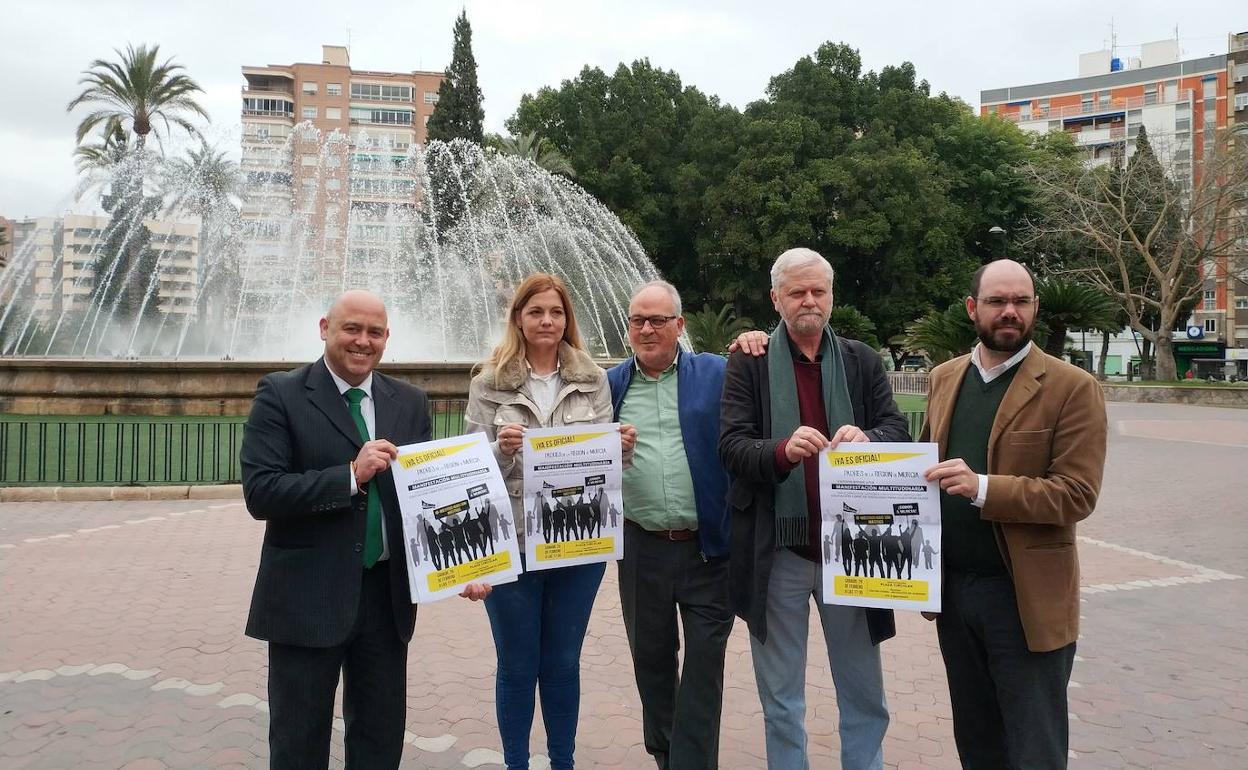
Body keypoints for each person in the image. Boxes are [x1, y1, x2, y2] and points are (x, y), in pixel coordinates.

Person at [719, 248, 910, 770]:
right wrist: (781, 450)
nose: (809, 301)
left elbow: (898, 430)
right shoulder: (749, 362)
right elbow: (731, 447)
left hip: (852, 549)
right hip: (780, 551)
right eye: (797, 291)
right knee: (781, 696)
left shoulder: (861, 359)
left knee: (863, 689)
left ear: (831, 296)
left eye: (818, 291)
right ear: (775, 298)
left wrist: (867, 436)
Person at [921, 259, 1107, 769]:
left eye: (1021, 302)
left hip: (1023, 597)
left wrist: (983, 487)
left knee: (1033, 746)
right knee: (977, 740)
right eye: (997, 301)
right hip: (955, 596)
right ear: (971, 308)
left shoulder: (1071, 387)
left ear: (1035, 309)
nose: (1009, 312)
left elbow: (1076, 494)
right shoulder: (944, 378)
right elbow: (920, 468)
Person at [240, 290, 432, 769]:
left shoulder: (409, 402)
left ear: (386, 338)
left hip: (385, 600)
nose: (362, 341)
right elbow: (262, 492)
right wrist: (351, 475)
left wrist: (463, 565)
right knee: (298, 743)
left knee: (379, 741)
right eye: (352, 329)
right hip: (308, 597)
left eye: (374, 332)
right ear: (325, 328)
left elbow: (425, 498)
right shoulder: (280, 393)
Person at [462, 273, 636, 770]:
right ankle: (516, 761)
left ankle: (564, 761)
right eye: (536, 311)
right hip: (512, 544)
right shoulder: (488, 382)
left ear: (567, 320)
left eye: (556, 312)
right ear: (519, 317)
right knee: (517, 666)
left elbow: (608, 470)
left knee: (561, 665)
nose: (546, 321)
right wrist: (502, 448)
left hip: (577, 542)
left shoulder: (592, 379)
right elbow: (472, 470)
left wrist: (622, 449)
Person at [606, 280, 735, 770]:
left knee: (705, 668)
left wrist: (756, 340)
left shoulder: (715, 373)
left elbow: (756, 415)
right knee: (652, 663)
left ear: (680, 326)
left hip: (707, 549)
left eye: (658, 320)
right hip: (642, 548)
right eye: (638, 319)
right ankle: (665, 755)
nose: (647, 328)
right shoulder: (611, 384)